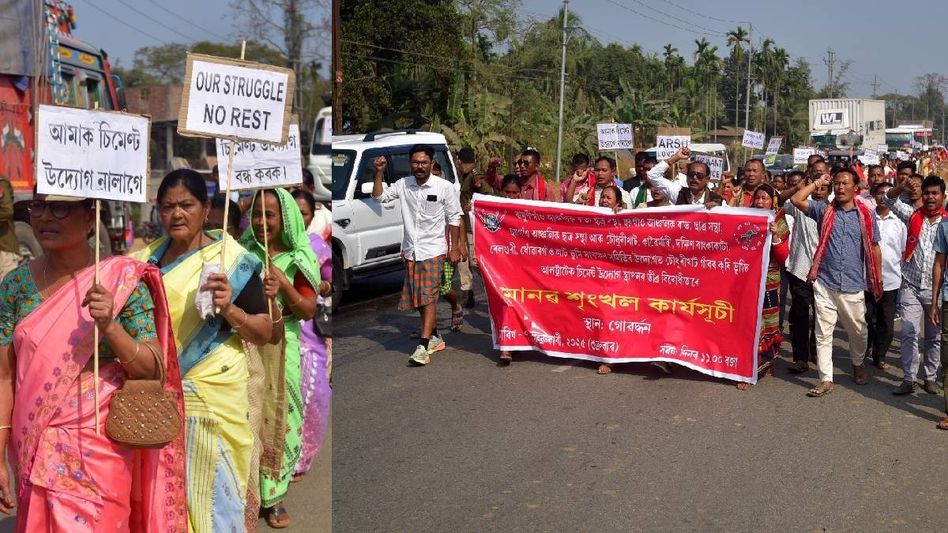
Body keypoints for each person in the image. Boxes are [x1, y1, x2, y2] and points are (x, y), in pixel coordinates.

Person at [0, 194, 187, 530]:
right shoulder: (15, 287)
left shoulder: (122, 280)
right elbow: (3, 377)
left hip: (101, 449)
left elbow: (152, 368)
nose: (45, 217)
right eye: (38, 207)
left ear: (90, 218)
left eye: (60, 207)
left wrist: (110, 327)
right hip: (35, 444)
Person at [131, 169, 281, 532]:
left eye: (186, 205)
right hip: (159, 399)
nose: (177, 214)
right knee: (165, 504)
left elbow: (265, 332)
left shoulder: (232, 260)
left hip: (216, 398)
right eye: (168, 206)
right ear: (158, 211)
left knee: (215, 501)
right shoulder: (142, 264)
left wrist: (229, 308)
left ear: (206, 208)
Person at [240, 188, 320, 526]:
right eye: (256, 214)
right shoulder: (240, 253)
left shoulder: (299, 256)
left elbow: (307, 310)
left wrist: (284, 286)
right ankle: (244, 496)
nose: (261, 222)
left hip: (281, 342)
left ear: (283, 219)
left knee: (278, 414)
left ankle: (273, 497)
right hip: (242, 342)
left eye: (269, 215)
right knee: (245, 416)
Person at [790, 169, 882, 397]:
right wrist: (818, 182)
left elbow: (874, 247)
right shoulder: (824, 210)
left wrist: (876, 277)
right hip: (824, 281)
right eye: (837, 184)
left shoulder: (866, 216)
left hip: (853, 285)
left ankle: (858, 364)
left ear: (856, 187)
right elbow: (796, 199)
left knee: (858, 331)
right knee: (823, 332)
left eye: (845, 184)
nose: (840, 188)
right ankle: (825, 379)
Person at [372, 145, 462, 365]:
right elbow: (378, 198)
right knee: (419, 298)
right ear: (409, 164)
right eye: (415, 162)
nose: (419, 167)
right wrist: (379, 172)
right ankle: (434, 336)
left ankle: (422, 346)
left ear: (431, 163)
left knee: (429, 296)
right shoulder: (404, 185)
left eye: (423, 162)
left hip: (434, 249)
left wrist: (456, 248)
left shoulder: (444, 187)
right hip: (412, 250)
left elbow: (454, 218)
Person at [882, 175, 946, 395]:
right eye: (926, 193)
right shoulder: (912, 215)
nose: (930, 197)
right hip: (910, 283)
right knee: (908, 332)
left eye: (934, 193)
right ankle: (909, 379)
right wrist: (901, 187)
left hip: (936, 289)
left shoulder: (947, 223)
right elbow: (886, 200)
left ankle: (929, 377)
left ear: (943, 196)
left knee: (933, 336)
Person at [290, 189, 333, 481]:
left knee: (312, 393)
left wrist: (318, 286)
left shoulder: (317, 246)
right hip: (277, 333)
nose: (296, 217)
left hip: (309, 332)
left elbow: (331, 283)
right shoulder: (266, 248)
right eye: (291, 211)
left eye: (303, 213)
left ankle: (301, 457)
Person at [736, 184, 790, 391]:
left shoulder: (779, 222)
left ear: (773, 202)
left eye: (764, 198)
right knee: (748, 324)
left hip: (769, 281)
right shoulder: (744, 220)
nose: (759, 202)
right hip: (746, 280)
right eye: (757, 198)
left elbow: (784, 256)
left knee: (767, 326)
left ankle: (761, 367)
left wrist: (775, 236)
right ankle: (748, 367)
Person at [784, 170, 829, 373]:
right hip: (800, 269)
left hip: (825, 273)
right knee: (800, 315)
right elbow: (785, 200)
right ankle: (800, 358)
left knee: (822, 317)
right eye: (816, 187)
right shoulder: (800, 207)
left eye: (823, 187)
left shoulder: (833, 210)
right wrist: (806, 185)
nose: (819, 190)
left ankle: (816, 352)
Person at [866, 182, 905, 370]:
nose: (883, 197)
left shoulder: (899, 223)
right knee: (865, 319)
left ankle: (879, 355)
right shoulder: (865, 219)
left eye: (887, 193)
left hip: (891, 280)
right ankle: (863, 351)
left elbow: (904, 251)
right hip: (867, 280)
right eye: (880, 193)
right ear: (874, 196)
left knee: (887, 324)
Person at [456, 147, 492, 308]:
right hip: (461, 223)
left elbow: (487, 193)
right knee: (462, 262)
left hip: (473, 225)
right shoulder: (461, 176)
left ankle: (493, 286)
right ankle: (467, 292)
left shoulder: (475, 177)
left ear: (460, 161)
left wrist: (476, 204)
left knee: (475, 261)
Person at [485, 149, 560, 202]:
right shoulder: (512, 182)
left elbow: (550, 213)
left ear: (536, 166)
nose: (522, 166)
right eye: (521, 163)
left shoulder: (545, 189)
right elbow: (492, 180)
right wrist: (491, 167)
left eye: (526, 163)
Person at [646, 147, 713, 205]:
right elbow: (652, 175)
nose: (694, 178)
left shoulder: (715, 199)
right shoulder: (678, 194)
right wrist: (676, 157)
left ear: (707, 179)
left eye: (699, 176)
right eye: (691, 175)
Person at [565, 156, 632, 207]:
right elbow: (568, 207)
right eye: (597, 170)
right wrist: (574, 180)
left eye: (604, 170)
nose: (600, 173)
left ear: (613, 172)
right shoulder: (585, 193)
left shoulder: (623, 194)